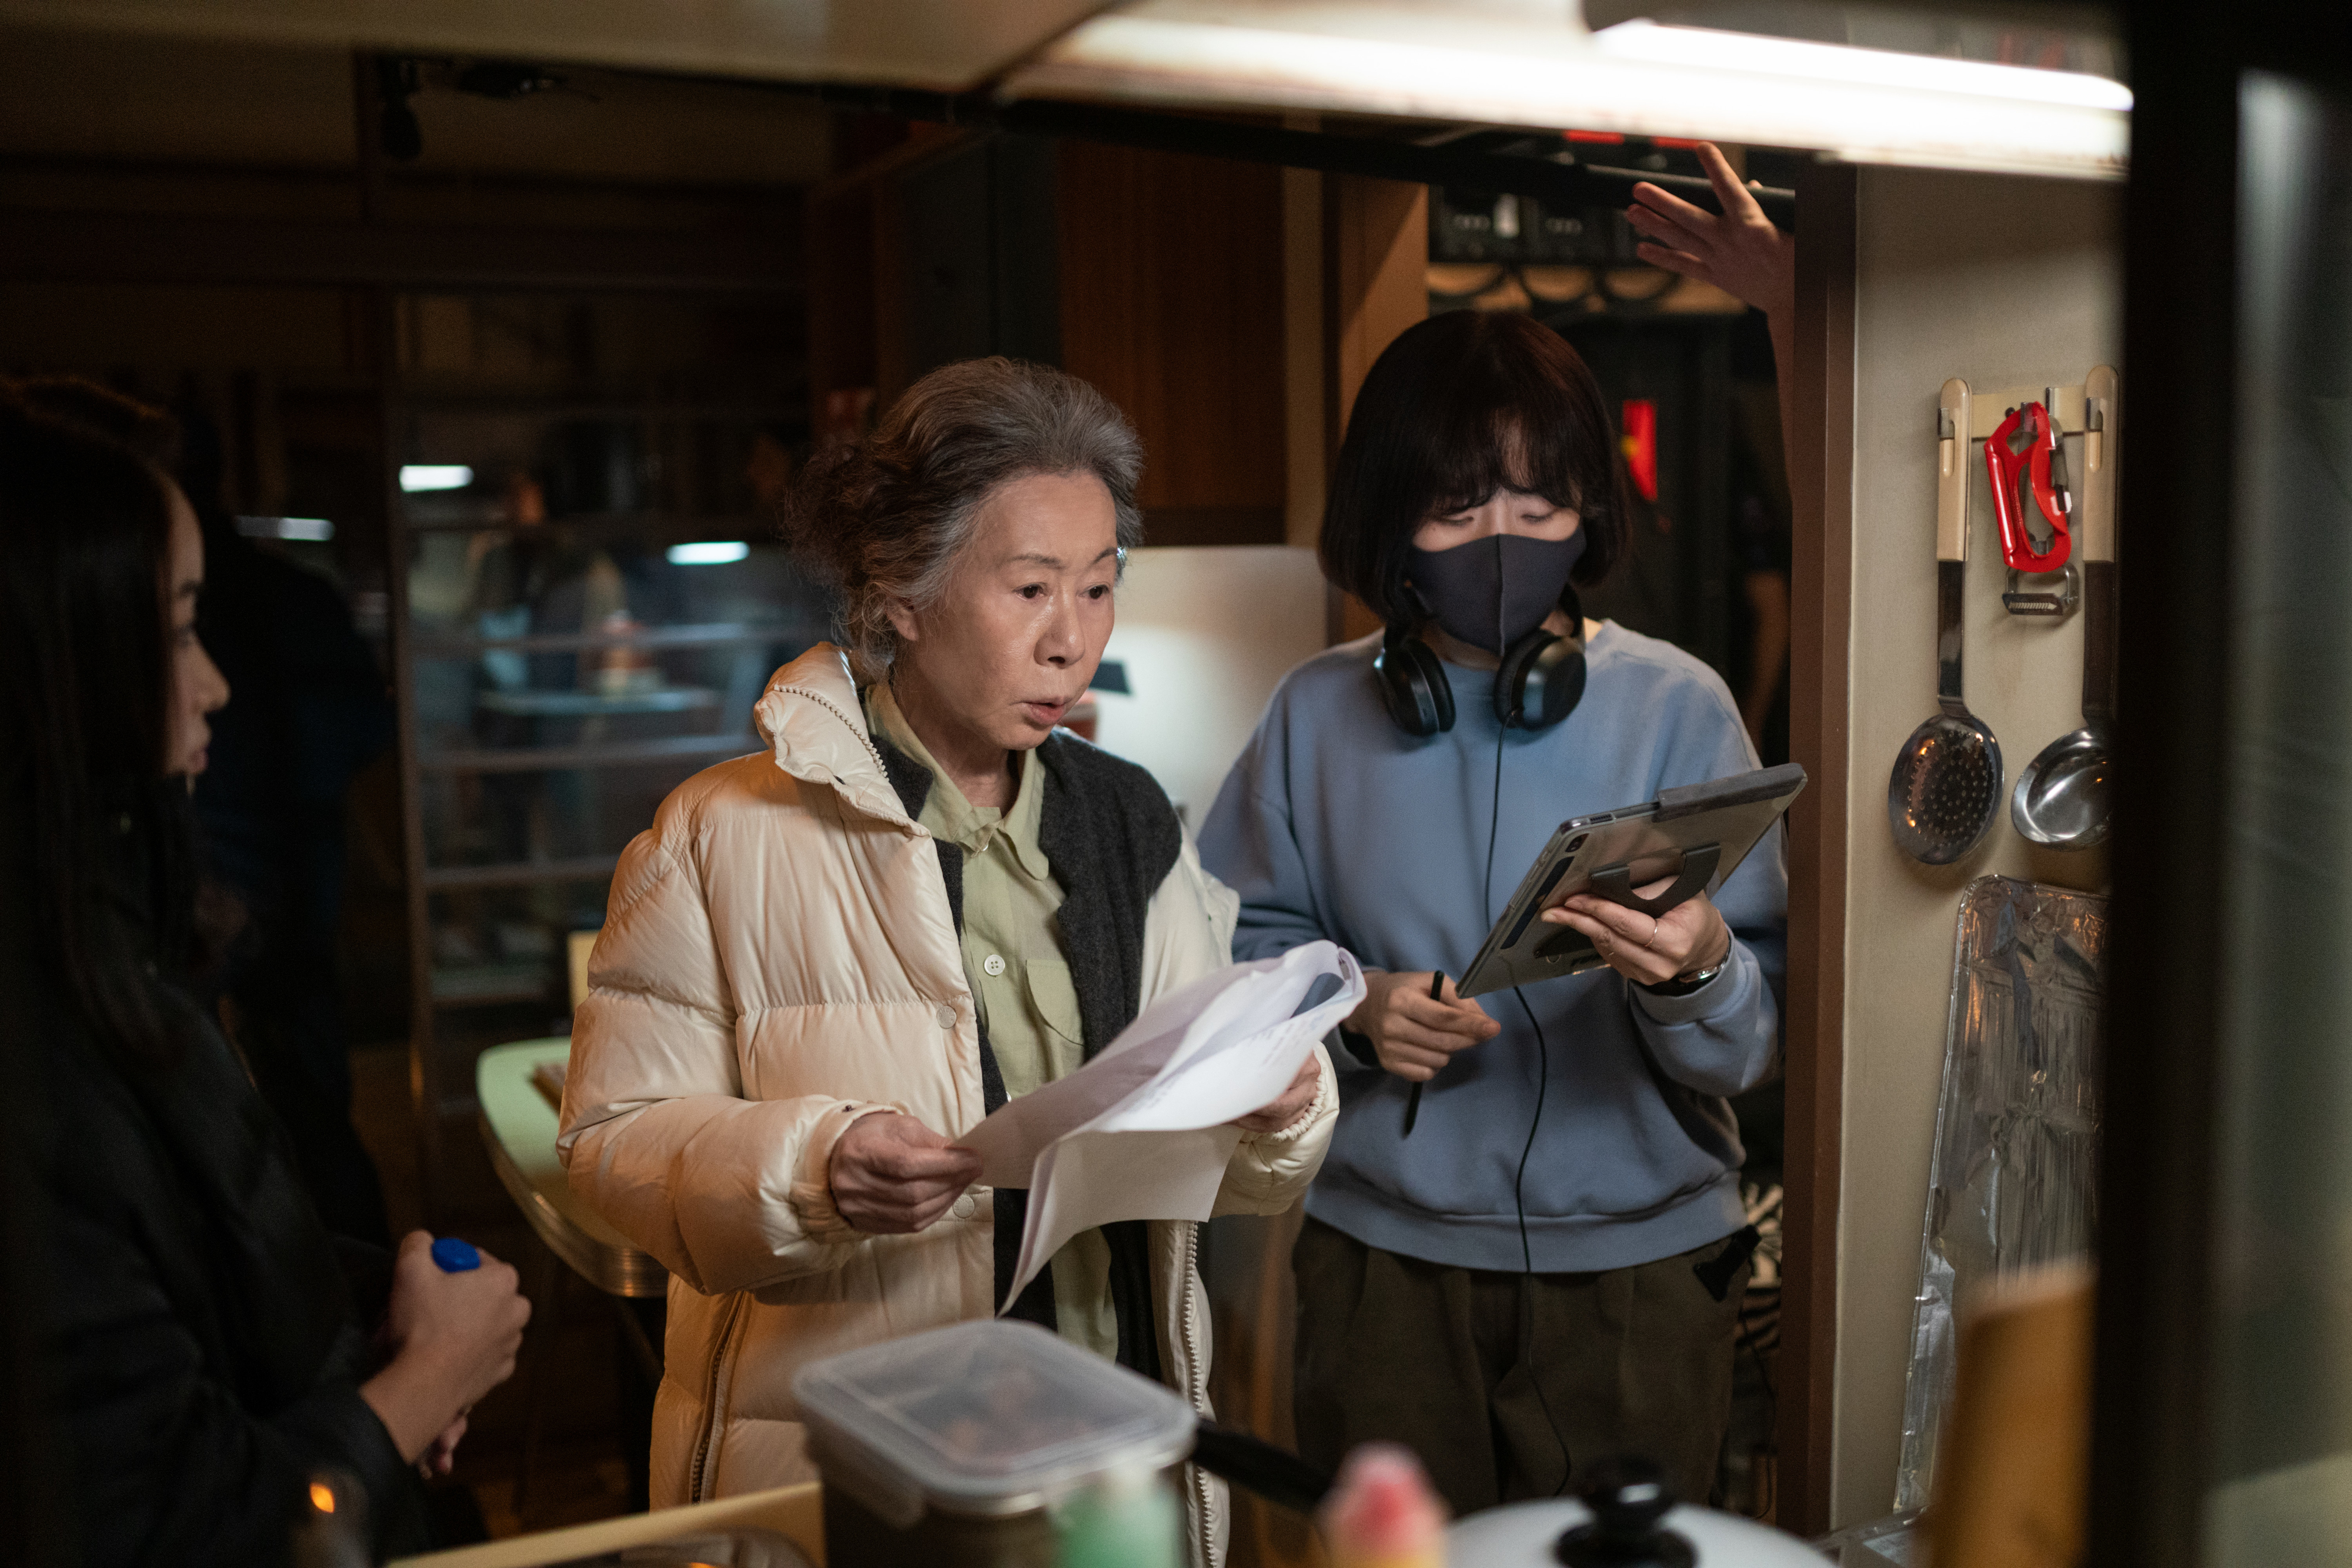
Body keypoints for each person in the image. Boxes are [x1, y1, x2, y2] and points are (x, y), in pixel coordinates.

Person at [558, 358, 1337, 1558]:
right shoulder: (721, 833)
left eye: (1096, 585)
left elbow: (1235, 1177)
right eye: (1029, 587)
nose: (1070, 637)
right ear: (902, 591)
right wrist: (812, 1167)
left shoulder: (1129, 822)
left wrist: (1277, 1101)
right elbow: (608, 1153)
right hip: (874, 1480)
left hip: (1114, 1467)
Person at [1196, 310, 1788, 1516]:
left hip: (1644, 1265)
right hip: (1382, 1271)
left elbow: (1750, 1041)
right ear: (1388, 522)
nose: (1506, 541)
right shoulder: (1310, 717)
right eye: (1459, 509)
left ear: (1590, 504)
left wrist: (1695, 967)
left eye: (1539, 501)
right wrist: (1351, 1004)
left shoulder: (1678, 706)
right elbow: (1220, 966)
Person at [0, 394, 531, 1563]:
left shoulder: (110, 944)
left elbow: (194, 1280)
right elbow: (171, 1524)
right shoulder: (42, 1051)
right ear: (67, 652)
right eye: (179, 628)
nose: (214, 686)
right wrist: (413, 1389)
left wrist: (367, 1331)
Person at [11, 375, 397, 1247]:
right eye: (178, 636)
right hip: (273, 890)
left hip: (230, 890)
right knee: (279, 1111)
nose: (209, 690)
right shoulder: (72, 977)